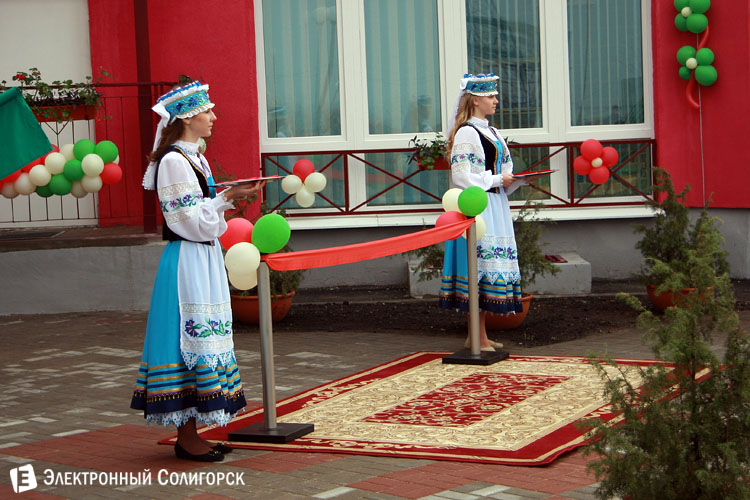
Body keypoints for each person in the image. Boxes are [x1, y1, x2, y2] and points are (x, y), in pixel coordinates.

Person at [131, 81, 264, 462]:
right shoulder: (174, 161)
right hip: (187, 259)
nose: (214, 117)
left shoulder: (195, 158)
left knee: (205, 336)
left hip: (202, 256)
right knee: (187, 340)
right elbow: (186, 220)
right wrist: (226, 198)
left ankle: (194, 432)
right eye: (207, 111)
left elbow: (205, 218)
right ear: (188, 118)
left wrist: (225, 198)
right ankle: (186, 437)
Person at [439, 73, 539, 351]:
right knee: (478, 268)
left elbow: (501, 170)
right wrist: (497, 180)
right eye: (491, 96)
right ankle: (476, 336)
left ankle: (478, 336)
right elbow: (461, 175)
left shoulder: (491, 132)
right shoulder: (468, 132)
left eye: (495, 96)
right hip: (479, 206)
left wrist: (515, 180)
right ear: (475, 100)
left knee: (485, 268)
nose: (496, 100)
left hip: (495, 205)